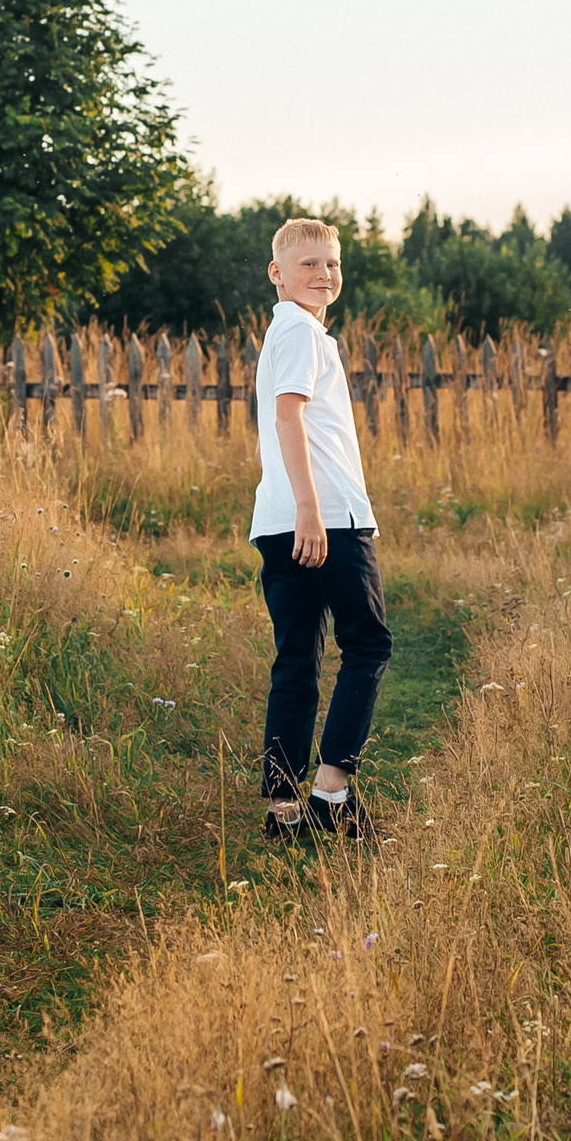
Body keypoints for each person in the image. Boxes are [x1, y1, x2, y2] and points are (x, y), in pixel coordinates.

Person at [252, 217, 391, 841]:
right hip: (324, 519)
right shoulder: (303, 333)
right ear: (278, 273)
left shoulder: (285, 333)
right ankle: (331, 795)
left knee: (297, 657)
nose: (324, 275)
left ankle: (283, 810)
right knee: (366, 645)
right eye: (309, 265)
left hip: (280, 521)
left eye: (332, 264)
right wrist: (312, 511)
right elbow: (290, 420)